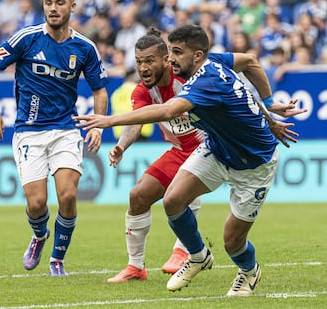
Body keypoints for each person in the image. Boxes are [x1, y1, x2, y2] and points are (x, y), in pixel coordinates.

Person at [73, 24, 307, 295]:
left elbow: (167, 110)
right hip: (216, 149)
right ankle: (196, 255)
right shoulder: (213, 61)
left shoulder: (204, 82)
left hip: (254, 164)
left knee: (232, 242)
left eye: (176, 53)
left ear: (196, 56)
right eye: (170, 52)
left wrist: (110, 120)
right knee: (172, 201)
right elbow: (250, 62)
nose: (170, 59)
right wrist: (268, 106)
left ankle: (249, 270)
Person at [0, 0, 109, 277]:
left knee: (67, 195)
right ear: (44, 5)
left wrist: (99, 126)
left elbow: (100, 90)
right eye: (49, 2)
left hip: (65, 128)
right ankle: (40, 235)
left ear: (72, 6)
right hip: (29, 130)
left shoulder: (85, 47)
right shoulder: (26, 39)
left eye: (60, 3)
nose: (53, 8)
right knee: (37, 202)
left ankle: (57, 260)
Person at [103, 27, 205, 283]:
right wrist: (121, 146)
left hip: (210, 149)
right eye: (138, 62)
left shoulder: (187, 79)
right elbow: (136, 122)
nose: (143, 67)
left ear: (166, 59)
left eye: (149, 61)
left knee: (179, 195)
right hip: (180, 151)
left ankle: (184, 251)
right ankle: (136, 267)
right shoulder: (142, 91)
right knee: (138, 196)